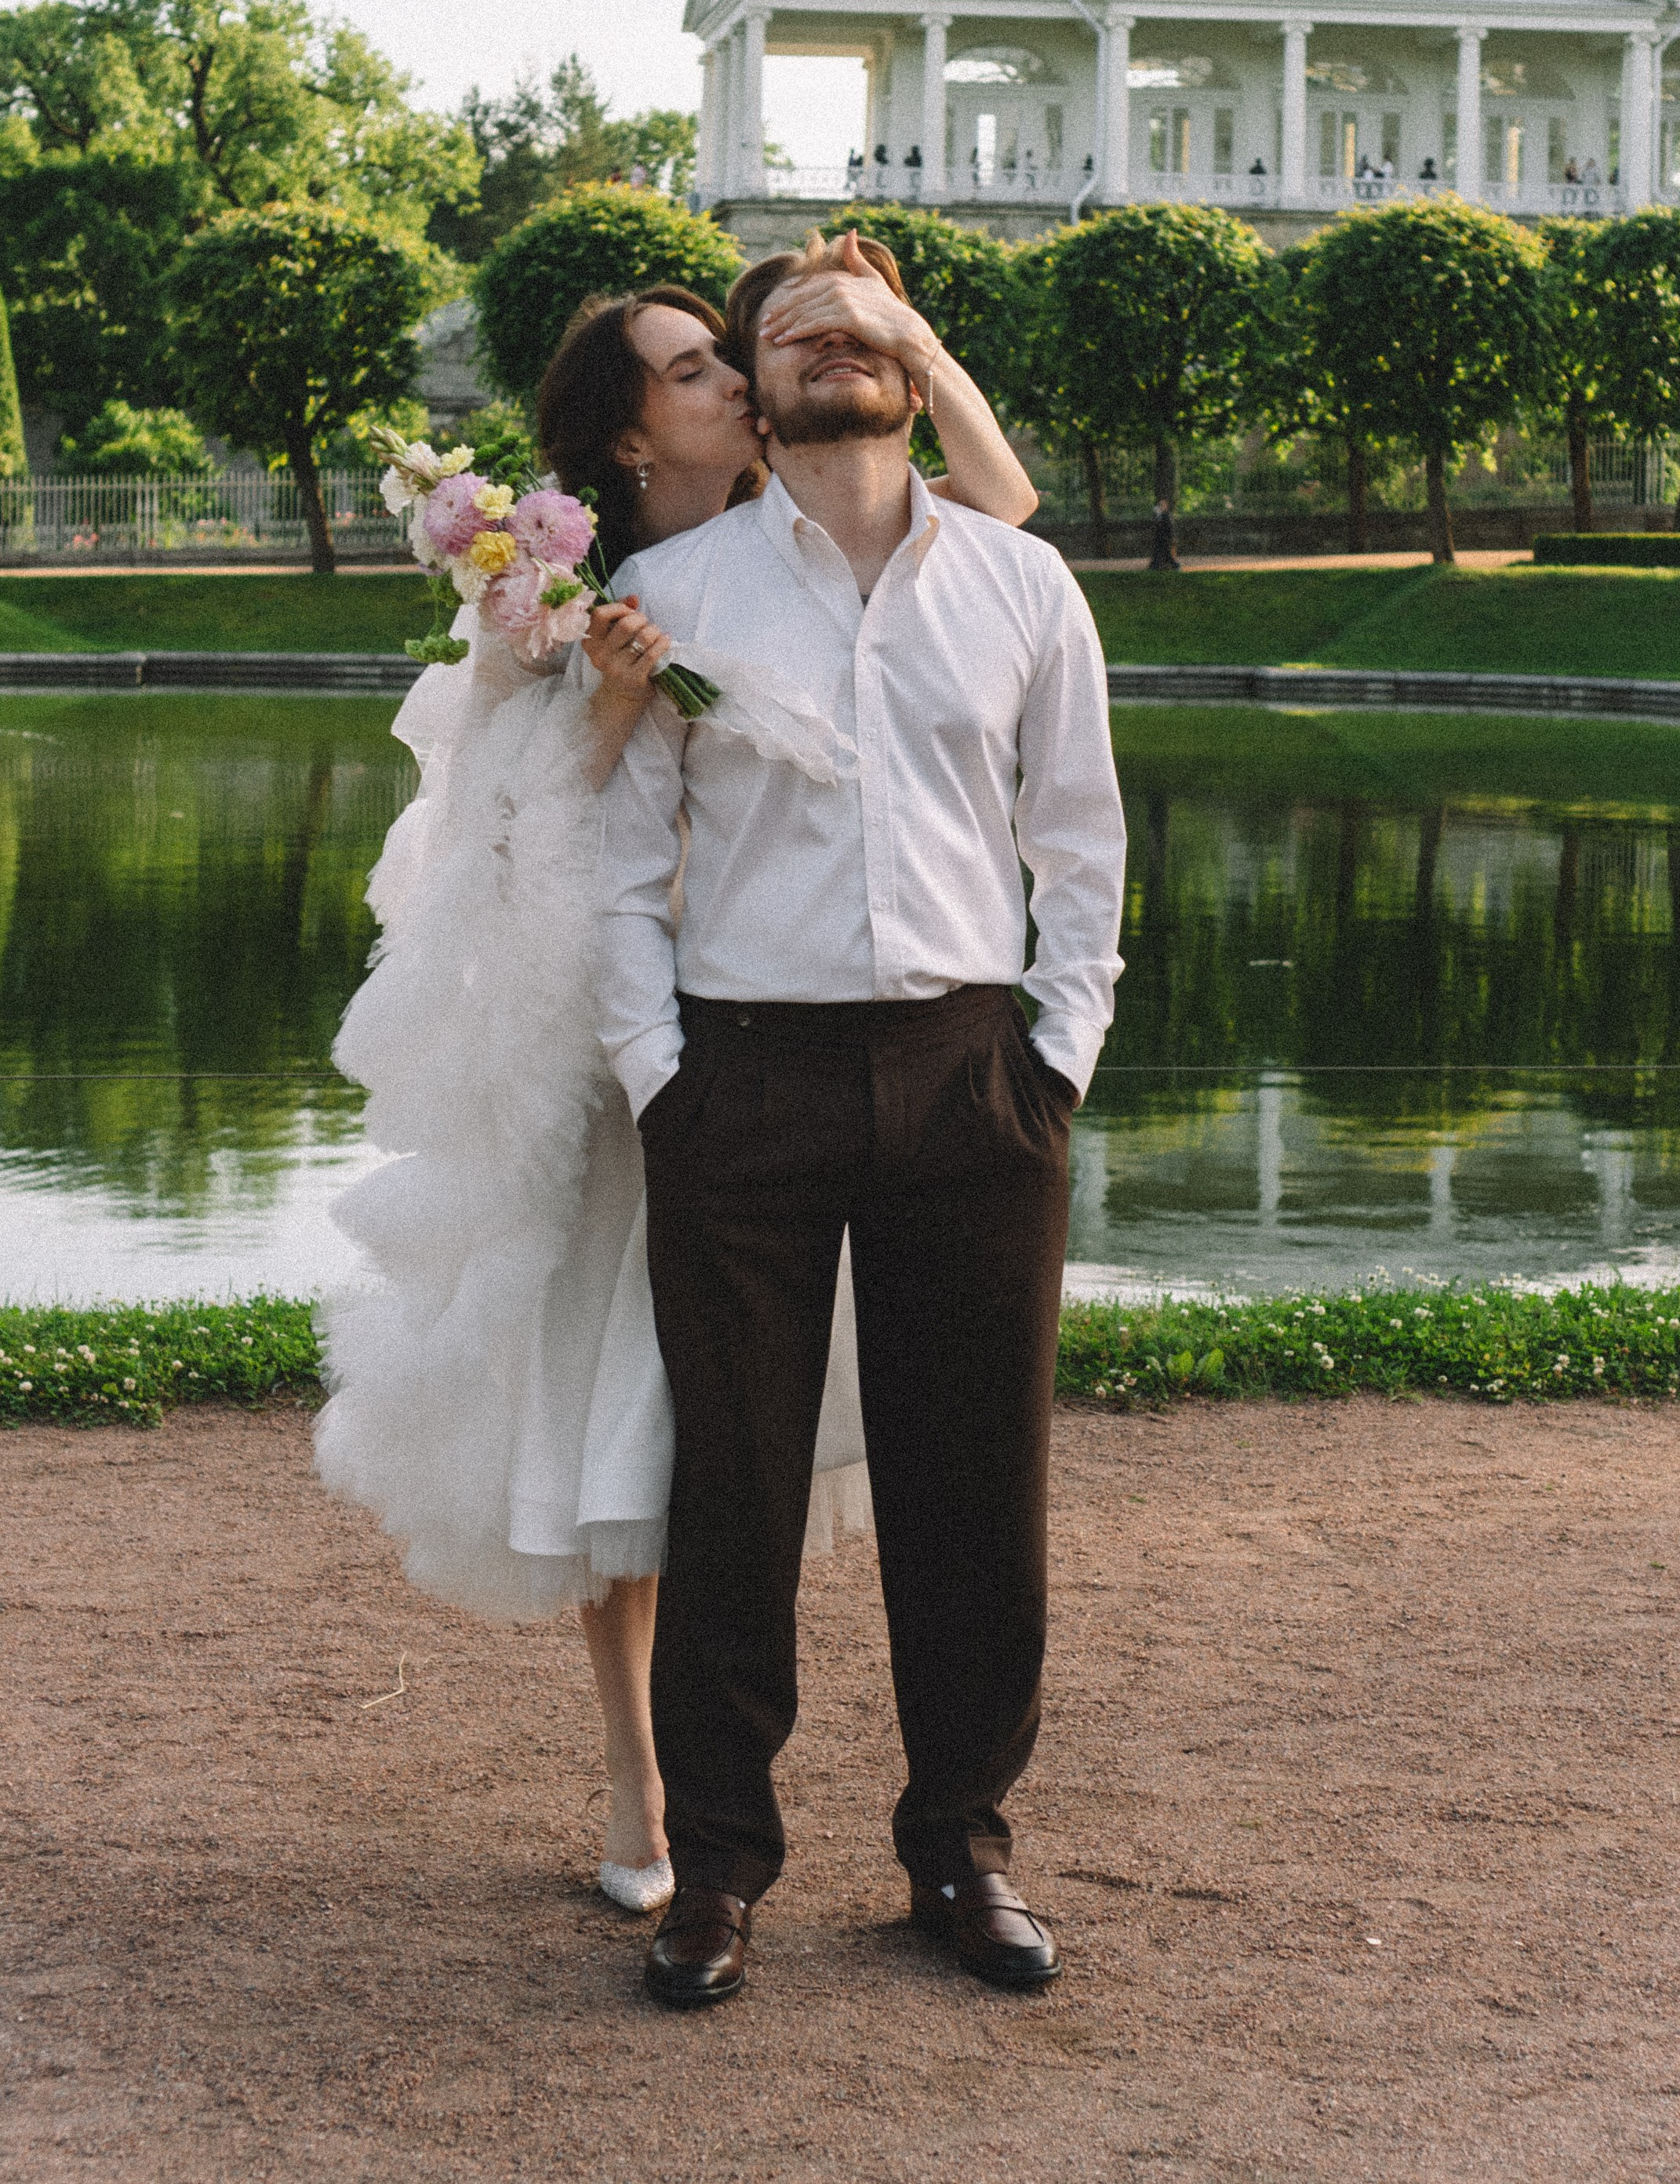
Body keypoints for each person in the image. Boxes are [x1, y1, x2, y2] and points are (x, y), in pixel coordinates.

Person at [315, 238, 1039, 1921]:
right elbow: (503, 843)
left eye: (730, 356)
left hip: (800, 1038)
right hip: (639, 1057)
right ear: (632, 441)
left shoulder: (820, 532)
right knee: (622, 1416)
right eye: (691, 368)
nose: (731, 375)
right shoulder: (552, 608)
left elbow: (1004, 516)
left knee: (749, 1430)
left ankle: (811, 1800)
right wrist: (609, 711)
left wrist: (909, 332)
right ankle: (652, 1781)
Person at [597, 233, 1126, 2008]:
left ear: (913, 360)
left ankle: (962, 1847)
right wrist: (660, 1071)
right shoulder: (684, 585)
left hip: (977, 1077)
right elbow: (618, 860)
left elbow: (1084, 844)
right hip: (740, 1077)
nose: (837, 346)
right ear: (758, 385)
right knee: (730, 1481)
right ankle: (719, 1868)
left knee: (978, 1481)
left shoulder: (1023, 586)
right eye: (798, 330)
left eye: (866, 322)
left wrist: (1055, 1058)